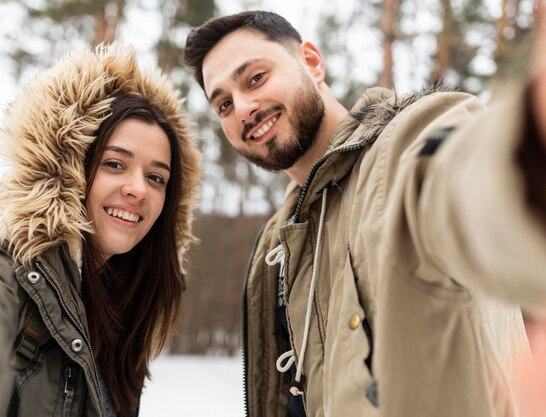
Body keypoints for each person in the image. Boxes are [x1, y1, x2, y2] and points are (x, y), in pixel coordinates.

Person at [183, 10, 546, 417]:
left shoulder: (404, 150)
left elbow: (466, 185)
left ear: (312, 62)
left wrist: (529, 147)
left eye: (255, 78)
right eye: (224, 104)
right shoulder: (278, 242)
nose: (244, 108)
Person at [0, 43, 201, 417]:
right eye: (115, 164)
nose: (138, 189)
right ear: (69, 171)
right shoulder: (10, 273)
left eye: (156, 177)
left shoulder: (120, 310)